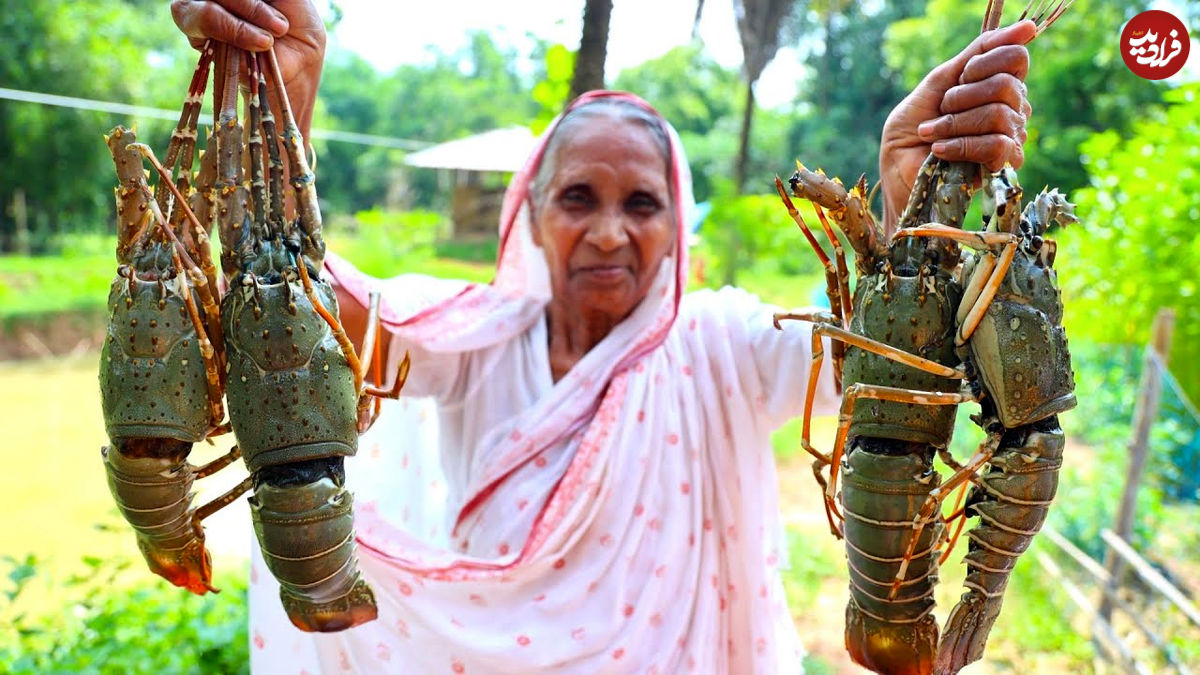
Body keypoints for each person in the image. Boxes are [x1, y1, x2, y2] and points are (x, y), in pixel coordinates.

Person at [171, 1, 1037, 672]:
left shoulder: (719, 343)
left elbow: (876, 357)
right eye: (579, 198)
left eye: (643, 203)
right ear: (532, 216)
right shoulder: (470, 336)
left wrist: (904, 194)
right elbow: (297, 316)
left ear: (676, 227)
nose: (611, 233)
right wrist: (288, 89)